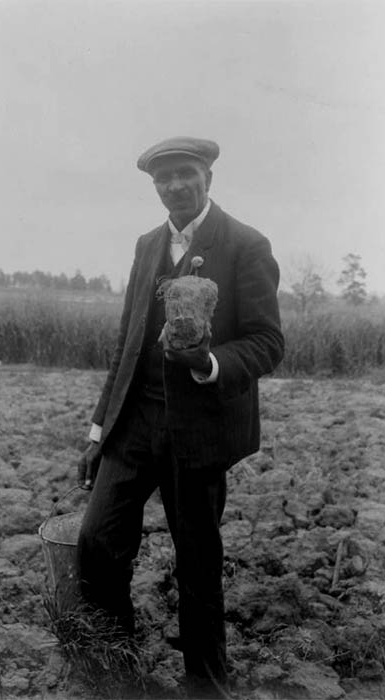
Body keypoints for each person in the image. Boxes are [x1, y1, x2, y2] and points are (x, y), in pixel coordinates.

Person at [76, 136, 284, 698]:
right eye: (163, 178)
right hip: (135, 422)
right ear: (154, 187)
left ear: (208, 179)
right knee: (97, 540)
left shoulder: (244, 244)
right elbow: (127, 341)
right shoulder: (148, 245)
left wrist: (210, 362)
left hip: (199, 430)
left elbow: (267, 342)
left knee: (196, 562)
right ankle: (116, 668)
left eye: (185, 174)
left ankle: (205, 686)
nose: (175, 186)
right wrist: (99, 429)